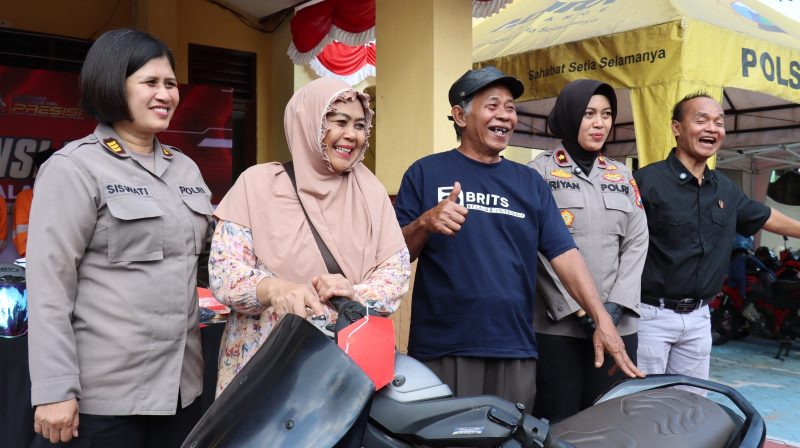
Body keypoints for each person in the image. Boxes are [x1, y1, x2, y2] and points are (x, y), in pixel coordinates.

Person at [393, 66, 643, 410]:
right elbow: (395, 257)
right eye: (492, 106)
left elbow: (565, 255)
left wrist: (603, 320)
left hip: (514, 349)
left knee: (509, 433)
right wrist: (425, 223)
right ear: (460, 116)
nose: (505, 116)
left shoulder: (529, 182)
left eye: (510, 108)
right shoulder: (425, 172)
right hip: (444, 347)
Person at [26, 29, 213, 446]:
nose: (165, 94)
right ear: (113, 85)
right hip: (104, 398)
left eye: (170, 84)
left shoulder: (186, 169)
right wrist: (55, 389)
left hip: (181, 391)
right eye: (150, 82)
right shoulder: (74, 168)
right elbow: (50, 287)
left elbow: (212, 262)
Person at [209, 77, 411, 394]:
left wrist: (355, 292)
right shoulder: (258, 185)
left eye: (359, 125)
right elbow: (223, 272)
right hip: (266, 369)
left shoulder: (370, 191)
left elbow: (395, 274)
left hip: (345, 372)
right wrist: (273, 288)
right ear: (308, 123)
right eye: (339, 122)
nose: (352, 135)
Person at [634, 92, 800, 391]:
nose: (712, 128)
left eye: (719, 123)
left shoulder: (725, 189)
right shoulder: (647, 182)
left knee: (692, 406)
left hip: (700, 319)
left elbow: (764, 216)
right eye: (701, 120)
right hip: (650, 317)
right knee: (641, 404)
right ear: (676, 128)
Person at [527, 79, 648, 421]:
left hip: (618, 324)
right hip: (559, 327)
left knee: (610, 421)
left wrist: (614, 308)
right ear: (569, 116)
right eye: (589, 114)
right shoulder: (537, 173)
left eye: (606, 115)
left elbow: (637, 242)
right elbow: (536, 249)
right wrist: (582, 312)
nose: (600, 123)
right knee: (558, 420)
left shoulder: (622, 176)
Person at [13, 148, 56, 257]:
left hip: (68, 261)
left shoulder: (71, 195)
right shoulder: (25, 198)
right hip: (33, 260)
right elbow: (23, 244)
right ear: (37, 172)